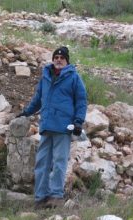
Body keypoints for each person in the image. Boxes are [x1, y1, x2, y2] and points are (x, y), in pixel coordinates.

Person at [17, 46, 87, 209]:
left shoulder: (74, 77)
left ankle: (56, 197)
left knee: (59, 162)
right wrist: (26, 112)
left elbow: (81, 101)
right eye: (56, 57)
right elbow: (37, 99)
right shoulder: (46, 77)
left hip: (63, 128)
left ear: (67, 61)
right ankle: (40, 198)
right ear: (53, 59)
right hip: (47, 126)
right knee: (41, 163)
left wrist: (78, 121)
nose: (58, 59)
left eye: (62, 58)